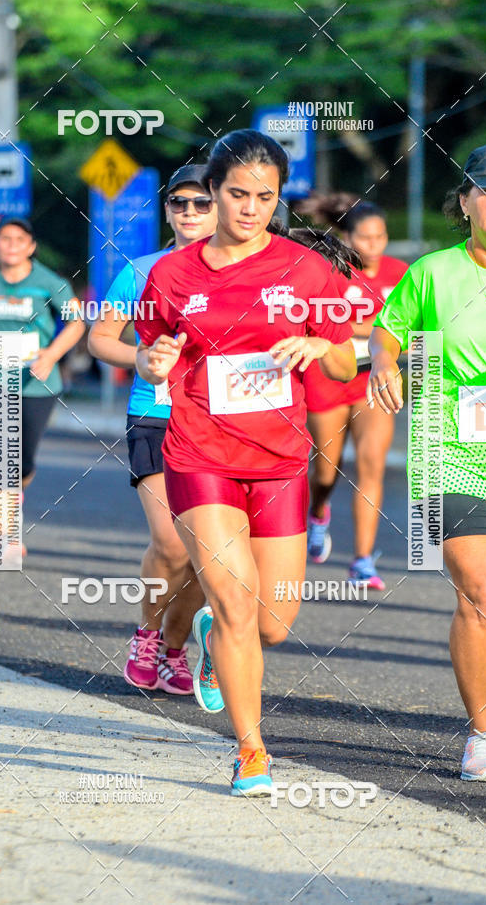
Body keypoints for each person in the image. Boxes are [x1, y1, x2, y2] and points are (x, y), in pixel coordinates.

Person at [135, 129, 356, 796]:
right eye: (237, 194)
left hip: (281, 458)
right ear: (215, 190)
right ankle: (252, 751)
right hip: (200, 450)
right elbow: (148, 352)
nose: (251, 207)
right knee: (235, 601)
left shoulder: (307, 271)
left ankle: (206, 632)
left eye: (265, 196)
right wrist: (154, 362)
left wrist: (319, 348)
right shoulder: (171, 274)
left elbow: (348, 358)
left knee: (273, 623)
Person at [368, 143, 486, 782]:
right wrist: (382, 362)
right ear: (465, 203)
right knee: (482, 592)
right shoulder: (431, 272)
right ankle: (483, 734)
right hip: (449, 449)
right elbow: (388, 327)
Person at [88, 164, 218, 696]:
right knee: (170, 543)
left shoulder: (251, 273)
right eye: (179, 203)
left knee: (203, 553)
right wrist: (140, 358)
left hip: (220, 420)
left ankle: (174, 645)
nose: (189, 213)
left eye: (201, 203)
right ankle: (146, 633)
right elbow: (100, 338)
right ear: (166, 210)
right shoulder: (141, 268)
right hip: (155, 415)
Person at [0, 216, 85, 554]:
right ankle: (6, 535)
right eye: (4, 239)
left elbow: (77, 322)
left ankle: (16, 490)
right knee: (1, 455)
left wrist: (51, 355)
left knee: (23, 460)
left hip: (36, 382)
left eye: (19, 239)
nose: (11, 245)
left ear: (31, 246)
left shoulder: (49, 282)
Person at [303, 202, 407, 589]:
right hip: (329, 375)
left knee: (371, 466)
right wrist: (375, 329)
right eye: (364, 237)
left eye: (380, 236)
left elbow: (412, 325)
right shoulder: (327, 270)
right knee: (326, 469)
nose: (374, 244)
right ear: (347, 238)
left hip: (374, 379)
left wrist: (368, 332)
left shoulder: (401, 274)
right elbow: (321, 325)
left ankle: (362, 560)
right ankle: (318, 512)